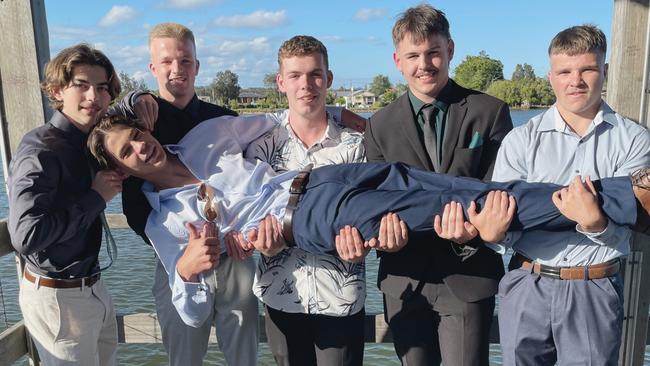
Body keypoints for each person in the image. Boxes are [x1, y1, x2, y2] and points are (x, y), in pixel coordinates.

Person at [87, 113, 650, 325]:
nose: (142, 149)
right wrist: (187, 270)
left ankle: (613, 197)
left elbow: (281, 116)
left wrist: (358, 117)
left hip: (327, 175)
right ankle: (628, 200)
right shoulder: (165, 221)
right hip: (310, 216)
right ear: (122, 170)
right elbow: (188, 312)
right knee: (450, 211)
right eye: (127, 152)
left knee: (472, 188)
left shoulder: (205, 137)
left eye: (137, 136)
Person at [241, 35, 407, 366]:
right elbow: (246, 216)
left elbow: (371, 216)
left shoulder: (356, 147)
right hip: (281, 296)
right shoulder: (258, 150)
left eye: (315, 74)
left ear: (328, 79)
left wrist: (366, 244)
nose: (306, 85)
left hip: (341, 299)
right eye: (295, 76)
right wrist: (261, 242)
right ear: (280, 83)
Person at [491, 25, 650, 365]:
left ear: (604, 71)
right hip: (526, 282)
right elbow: (503, 219)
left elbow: (633, 219)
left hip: (593, 285)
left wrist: (596, 223)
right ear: (551, 76)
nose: (575, 81)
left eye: (587, 69)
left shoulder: (634, 139)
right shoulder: (520, 141)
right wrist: (494, 236)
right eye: (564, 71)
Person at [363, 5, 513, 365]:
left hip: (468, 273)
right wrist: (382, 234)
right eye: (413, 55)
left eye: (433, 51)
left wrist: (472, 234)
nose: (424, 64)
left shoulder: (489, 112)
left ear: (450, 50)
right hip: (403, 277)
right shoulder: (378, 125)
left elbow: (503, 190)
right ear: (398, 60)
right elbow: (376, 202)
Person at [108, 22, 259, 366]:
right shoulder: (136, 130)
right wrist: (180, 247)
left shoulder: (224, 119)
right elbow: (134, 209)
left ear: (197, 65)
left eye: (185, 61)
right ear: (152, 68)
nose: (177, 70)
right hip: (176, 259)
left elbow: (254, 183)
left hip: (236, 255)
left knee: (244, 357)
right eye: (166, 62)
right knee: (184, 358)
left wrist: (244, 230)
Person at [7, 44, 123, 365]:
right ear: (58, 90)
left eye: (102, 88)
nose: (94, 96)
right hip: (59, 297)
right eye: (82, 85)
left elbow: (126, 111)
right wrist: (96, 198)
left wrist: (139, 99)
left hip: (93, 286)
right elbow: (26, 236)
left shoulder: (89, 139)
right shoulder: (41, 149)